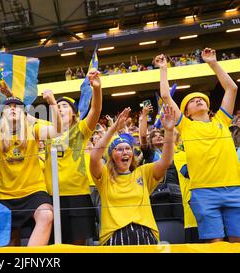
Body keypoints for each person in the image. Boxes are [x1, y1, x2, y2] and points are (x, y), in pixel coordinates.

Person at [155, 48, 240, 243]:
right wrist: (163, 69)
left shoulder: (222, 120)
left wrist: (212, 62)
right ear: (186, 112)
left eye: (201, 98)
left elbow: (232, 88)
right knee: (214, 243)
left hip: (234, 188)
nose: (198, 100)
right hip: (203, 191)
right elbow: (166, 96)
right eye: (192, 101)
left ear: (208, 106)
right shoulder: (185, 126)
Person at [0, 90, 62, 246]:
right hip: (6, 195)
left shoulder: (33, 130)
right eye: (8, 106)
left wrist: (52, 103)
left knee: (46, 215)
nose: (12, 108)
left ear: (23, 113)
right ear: (3, 114)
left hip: (34, 191)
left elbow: (57, 131)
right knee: (10, 238)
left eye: (17, 106)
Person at [89, 106, 175, 245]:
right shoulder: (104, 175)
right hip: (114, 235)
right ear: (111, 156)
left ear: (132, 154)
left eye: (128, 148)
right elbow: (94, 157)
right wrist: (113, 128)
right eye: (119, 149)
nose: (124, 152)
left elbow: (166, 161)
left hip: (145, 233)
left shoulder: (143, 172)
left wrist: (169, 131)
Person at [43, 70, 102, 245]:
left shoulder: (81, 130)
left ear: (74, 114)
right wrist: (10, 95)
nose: (60, 108)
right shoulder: (47, 130)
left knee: (77, 246)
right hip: (52, 197)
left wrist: (97, 89)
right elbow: (24, 116)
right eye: (57, 106)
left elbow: (96, 109)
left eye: (65, 106)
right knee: (55, 245)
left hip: (77, 195)